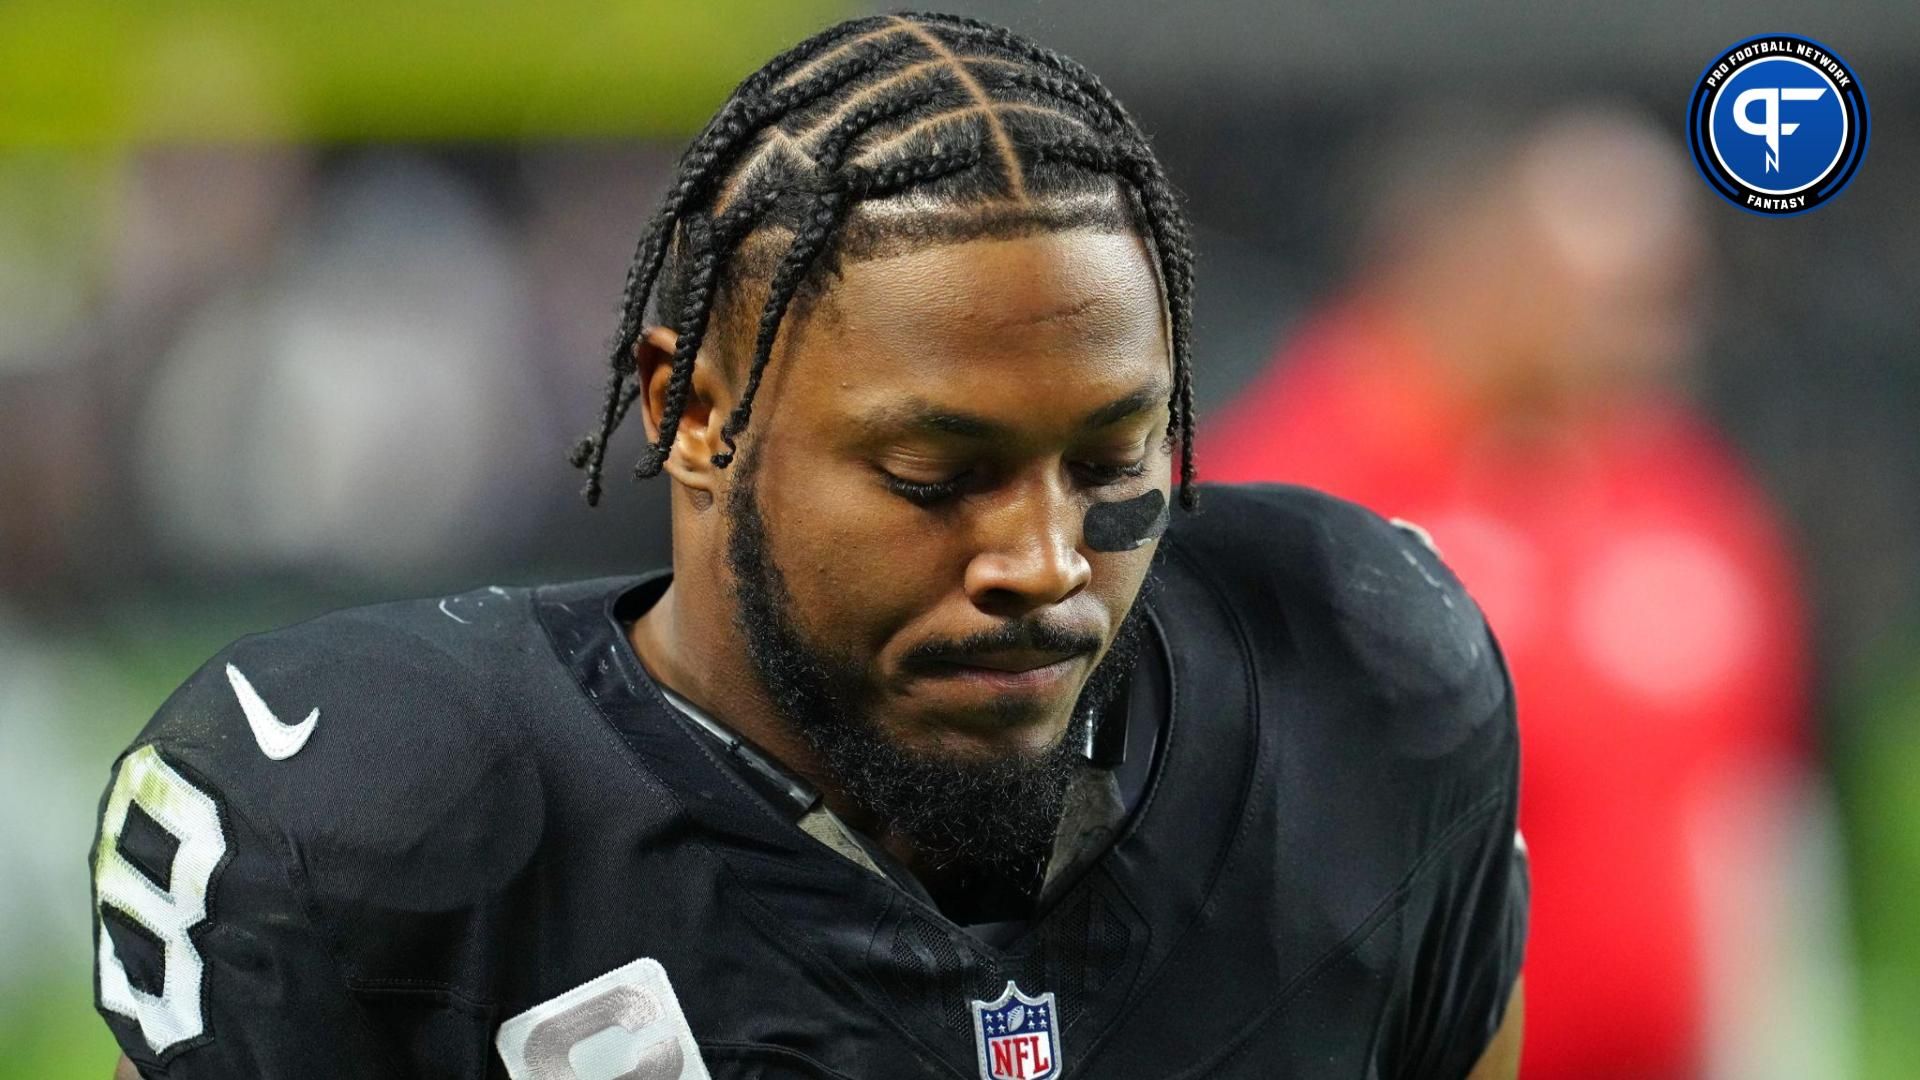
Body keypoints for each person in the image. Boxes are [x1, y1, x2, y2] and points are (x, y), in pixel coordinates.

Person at [91, 14, 1526, 1079]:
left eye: (1109, 459)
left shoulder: (1359, 675)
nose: (1045, 558)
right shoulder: (379, 820)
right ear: (692, 412)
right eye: (936, 474)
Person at [1200, 106, 1809, 1077]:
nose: (1664, 331)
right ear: (1478, 269)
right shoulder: (1297, 493)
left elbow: (1747, 822)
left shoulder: (1683, 489)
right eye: (1622, 294)